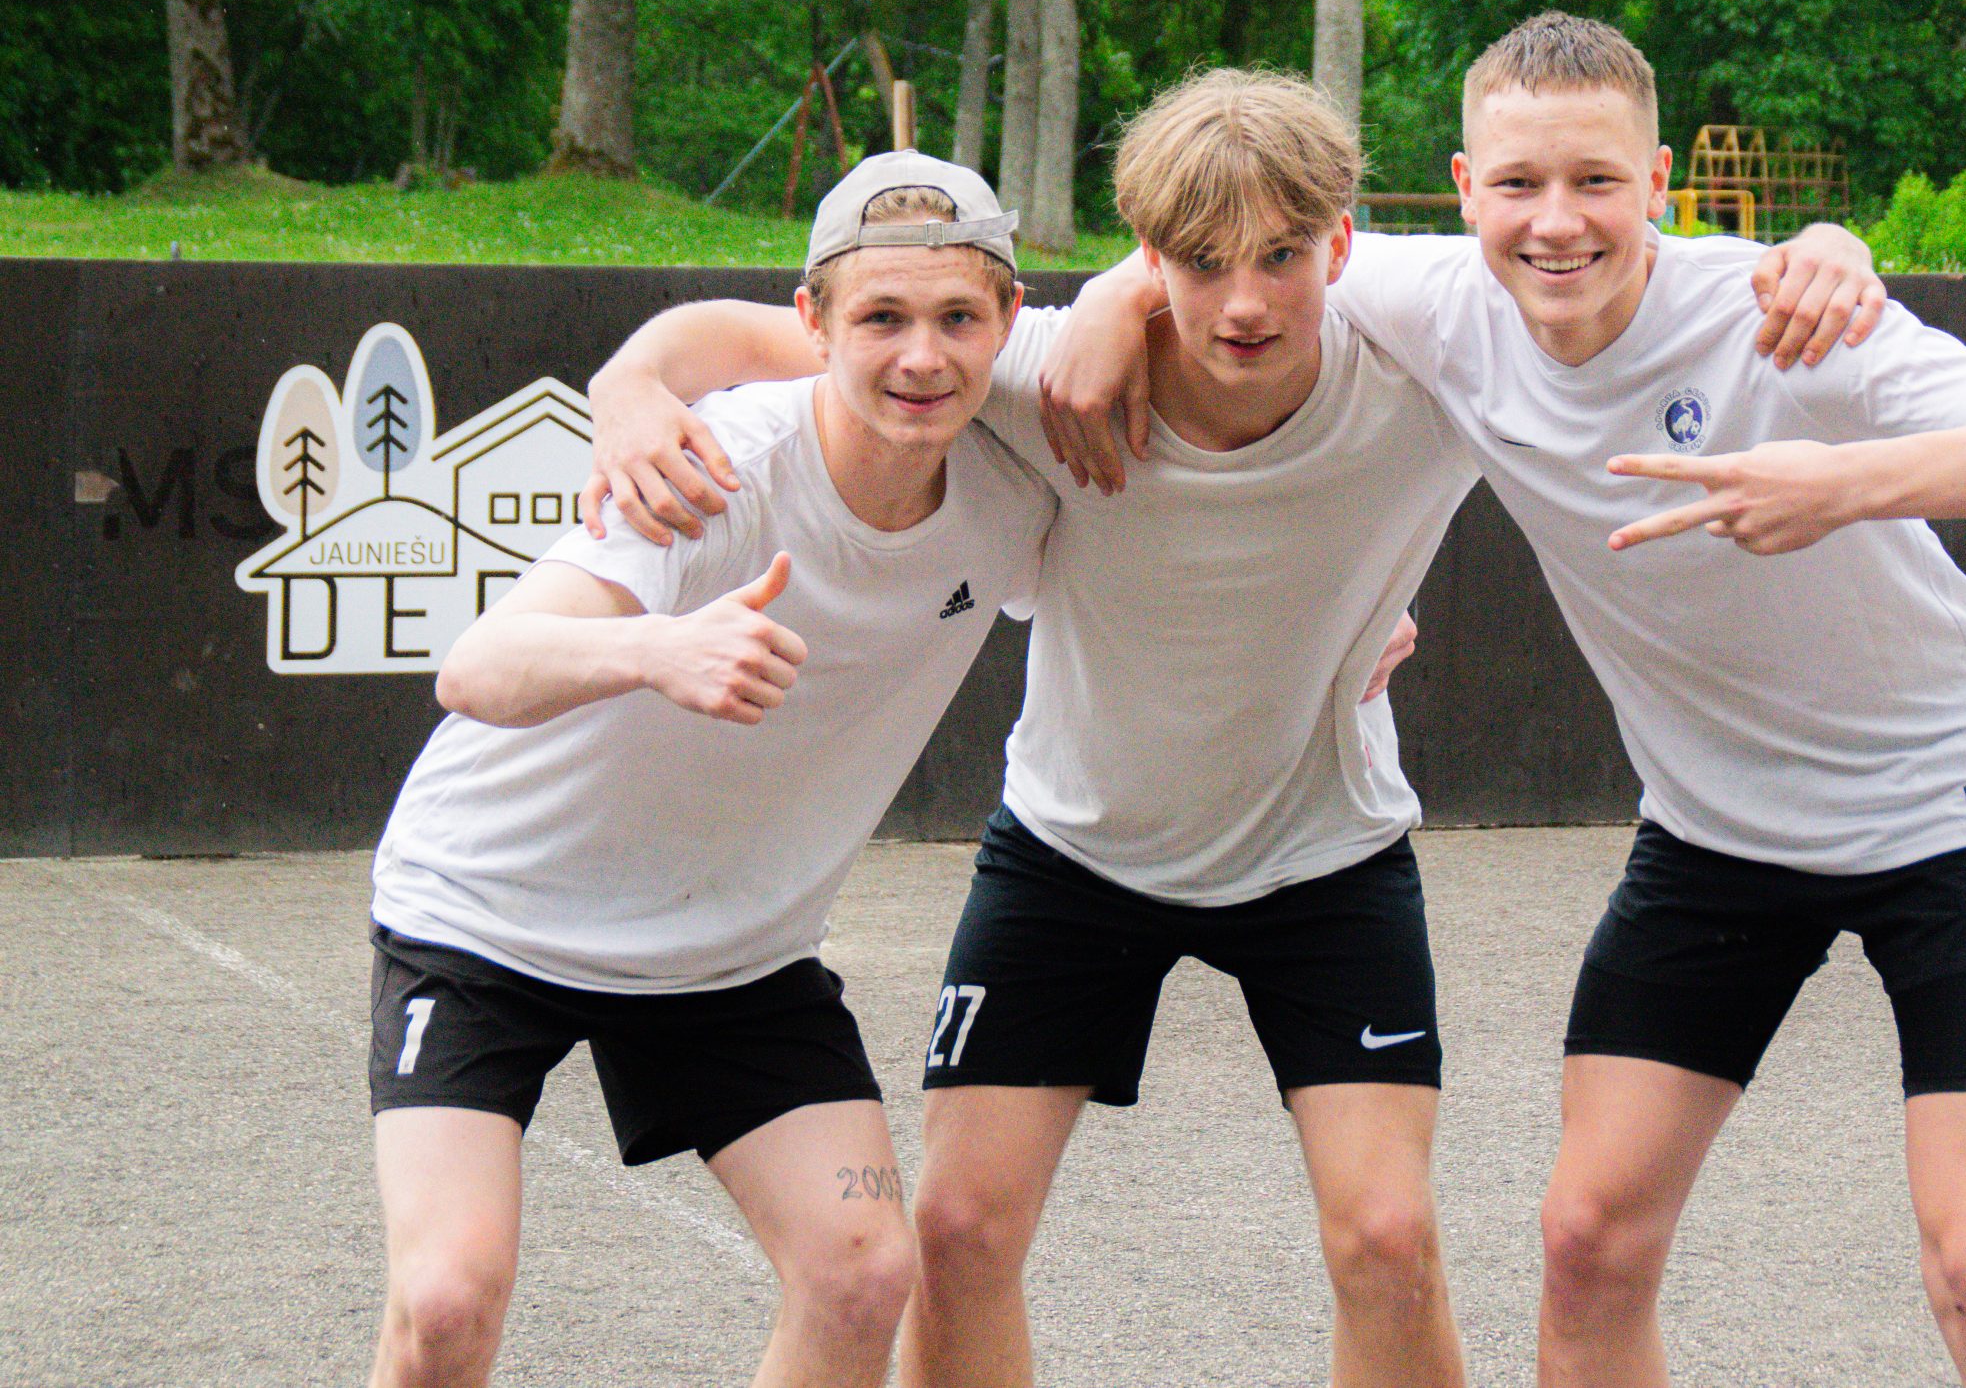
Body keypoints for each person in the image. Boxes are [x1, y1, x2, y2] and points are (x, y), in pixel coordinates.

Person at [577, 69, 1878, 1388]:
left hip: (1322, 854)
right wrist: (630, 384)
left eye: (1280, 259)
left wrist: (1828, 245)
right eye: (1200, 263)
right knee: (959, 1230)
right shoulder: (1041, 370)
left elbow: (1631, 271)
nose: (1245, 302)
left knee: (1386, 1239)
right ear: (1149, 257)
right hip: (1074, 852)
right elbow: (783, 332)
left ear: (1342, 246)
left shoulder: (1428, 362)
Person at [1038, 13, 1966, 1388]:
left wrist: (1842, 481)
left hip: (1953, 808)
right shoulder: (1429, 297)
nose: (1556, 221)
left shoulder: (1779, 314)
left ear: (1658, 182)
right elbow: (1224, 228)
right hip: (1716, 831)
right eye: (1519, 183)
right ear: (1464, 189)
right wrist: (1108, 304)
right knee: (1585, 1240)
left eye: (1595, 180)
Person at [364, 152, 1055, 1388]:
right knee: (447, 1302)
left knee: (862, 1273)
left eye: (958, 318)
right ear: (812, 324)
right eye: (882, 319)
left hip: (728, 953)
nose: (922, 356)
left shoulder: (1018, 487)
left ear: (1009, 319)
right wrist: (657, 648)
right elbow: (477, 668)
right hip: (489, 920)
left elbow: (1174, 534)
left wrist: (1350, 630)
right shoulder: (715, 468)